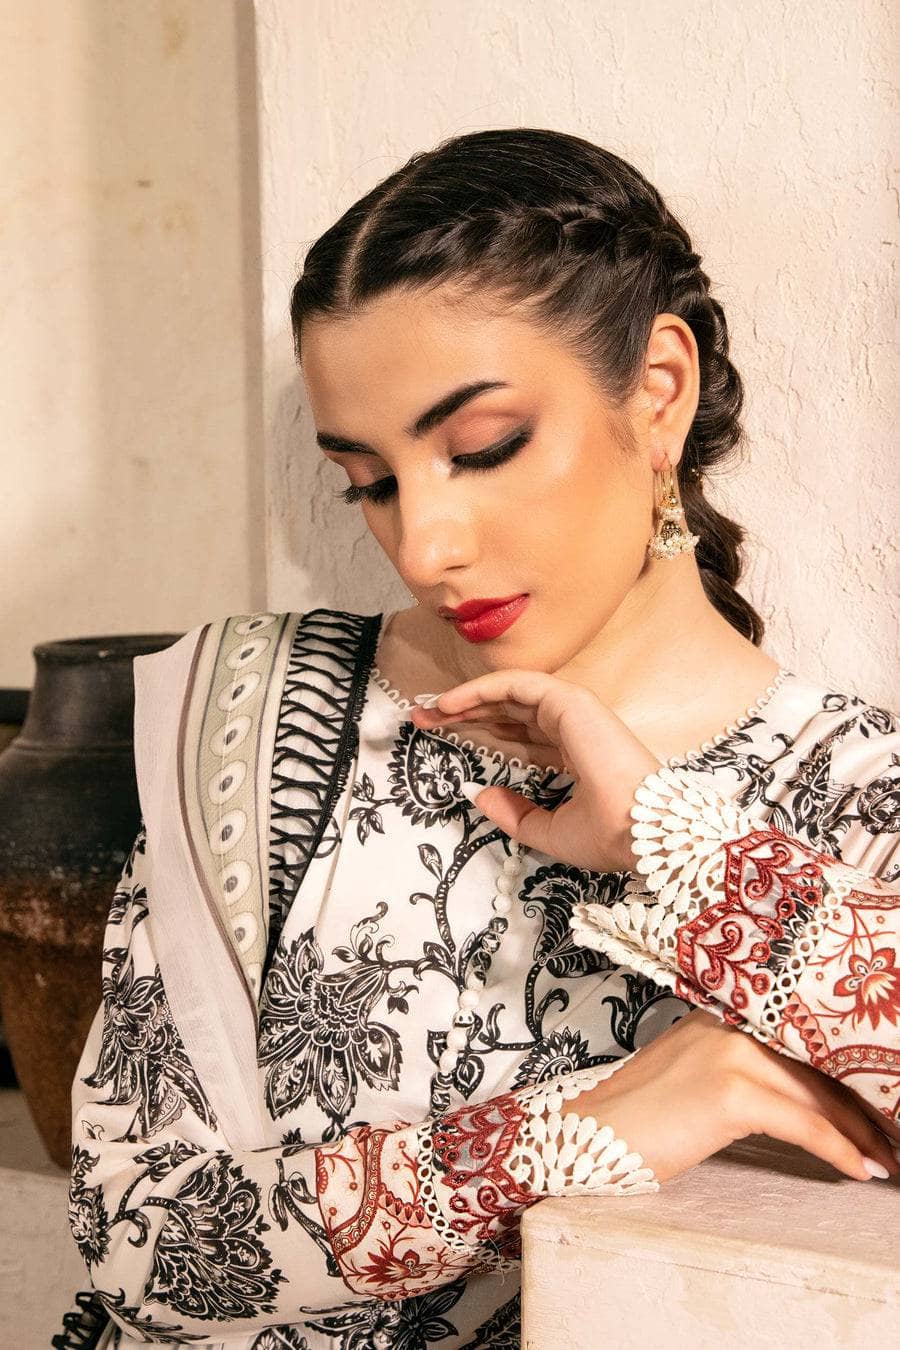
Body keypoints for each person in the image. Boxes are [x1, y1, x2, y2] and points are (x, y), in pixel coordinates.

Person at [55, 128, 899, 1350]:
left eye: (483, 448)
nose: (423, 545)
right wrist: (587, 1127)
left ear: (659, 388)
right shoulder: (263, 713)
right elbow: (140, 1241)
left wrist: (682, 849)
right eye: (371, 481)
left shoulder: (853, 794)